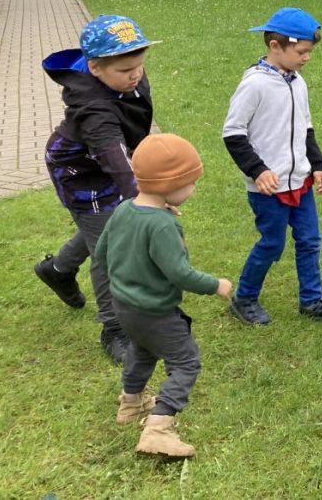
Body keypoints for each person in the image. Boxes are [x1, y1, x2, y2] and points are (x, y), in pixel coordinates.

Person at [93, 133, 234, 457]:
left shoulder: (124, 210)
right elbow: (179, 273)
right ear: (170, 185)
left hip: (124, 306)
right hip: (155, 311)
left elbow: (101, 252)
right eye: (191, 183)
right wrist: (215, 285)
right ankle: (158, 428)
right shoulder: (162, 226)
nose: (193, 189)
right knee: (185, 362)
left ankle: (131, 403)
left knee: (143, 350)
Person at [35, 14, 159, 365]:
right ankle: (113, 328)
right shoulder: (93, 110)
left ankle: (57, 269)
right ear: (94, 68)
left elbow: (134, 125)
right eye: (126, 70)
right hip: (78, 172)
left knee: (106, 226)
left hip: (107, 159)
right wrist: (145, 195)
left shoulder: (125, 78)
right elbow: (114, 157)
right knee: (110, 248)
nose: (135, 75)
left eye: (139, 65)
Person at [222, 7, 322, 325]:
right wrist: (258, 170)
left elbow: (306, 127)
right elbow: (233, 133)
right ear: (275, 46)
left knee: (310, 240)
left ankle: (312, 300)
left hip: (300, 181)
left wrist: (316, 164)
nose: (307, 57)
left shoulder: (298, 82)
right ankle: (244, 297)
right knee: (272, 243)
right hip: (268, 187)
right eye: (301, 51)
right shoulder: (254, 84)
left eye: (309, 52)